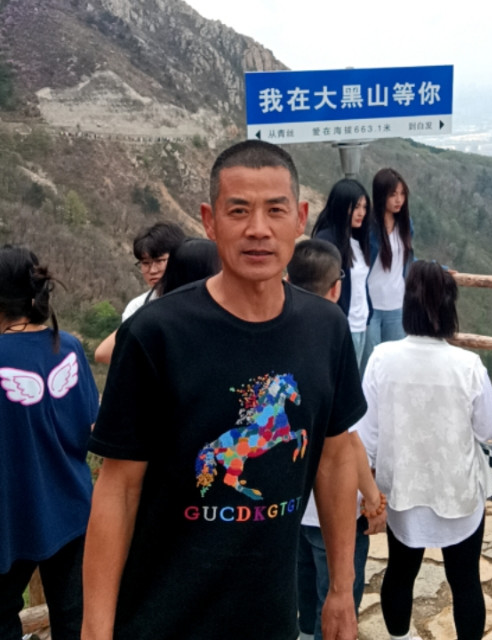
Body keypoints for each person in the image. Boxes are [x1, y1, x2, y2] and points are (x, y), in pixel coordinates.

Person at [81, 140, 366, 640]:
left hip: (270, 615)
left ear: (299, 218)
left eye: (275, 210)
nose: (258, 228)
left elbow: (335, 457)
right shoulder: (155, 334)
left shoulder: (325, 328)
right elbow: (118, 488)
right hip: (162, 618)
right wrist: (94, 630)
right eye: (239, 210)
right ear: (210, 222)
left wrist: (341, 589)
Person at [357, 260, 492, 640]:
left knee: (400, 574)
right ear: (450, 307)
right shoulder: (468, 366)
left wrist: (368, 490)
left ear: (407, 304)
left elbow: (367, 436)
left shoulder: (381, 359)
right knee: (465, 581)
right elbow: (488, 429)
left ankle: (400, 637)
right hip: (458, 493)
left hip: (403, 493)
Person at [287, 238, 385, 640]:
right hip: (331, 512)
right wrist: (373, 500)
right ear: (336, 288)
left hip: (291, 507)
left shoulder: (272, 334)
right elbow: (347, 442)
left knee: (302, 599)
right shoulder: (331, 340)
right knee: (335, 605)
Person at [0, 245, 99, 639]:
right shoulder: (68, 347)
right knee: (75, 618)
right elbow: (89, 428)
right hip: (71, 507)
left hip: (11, 515)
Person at [94, 221, 185, 364]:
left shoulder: (197, 300)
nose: (152, 270)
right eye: (145, 263)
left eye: (159, 261)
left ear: (178, 258)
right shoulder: (137, 307)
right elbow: (106, 354)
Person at [312, 179, 371, 369]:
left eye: (364, 207)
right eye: (355, 207)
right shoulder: (326, 241)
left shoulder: (357, 239)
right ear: (341, 206)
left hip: (361, 324)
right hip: (341, 326)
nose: (361, 213)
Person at [365, 168, 414, 354]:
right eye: (393, 194)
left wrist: (436, 268)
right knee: (369, 363)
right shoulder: (368, 227)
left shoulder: (406, 225)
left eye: (402, 194)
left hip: (396, 306)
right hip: (370, 306)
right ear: (381, 195)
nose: (399, 200)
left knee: (394, 360)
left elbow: (407, 260)